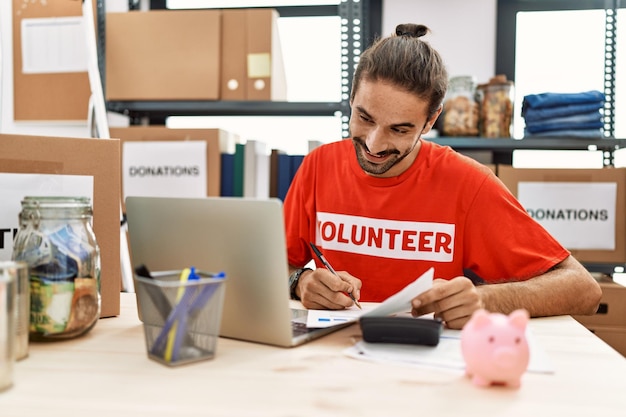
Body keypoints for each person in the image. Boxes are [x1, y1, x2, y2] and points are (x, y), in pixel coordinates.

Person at [284, 23, 602, 330]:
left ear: (430, 120)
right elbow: (269, 268)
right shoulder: (318, 166)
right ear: (352, 98)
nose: (374, 143)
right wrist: (300, 281)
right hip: (332, 356)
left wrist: (486, 299)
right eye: (364, 118)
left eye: (400, 129)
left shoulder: (468, 183)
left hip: (430, 366)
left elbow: (583, 289)